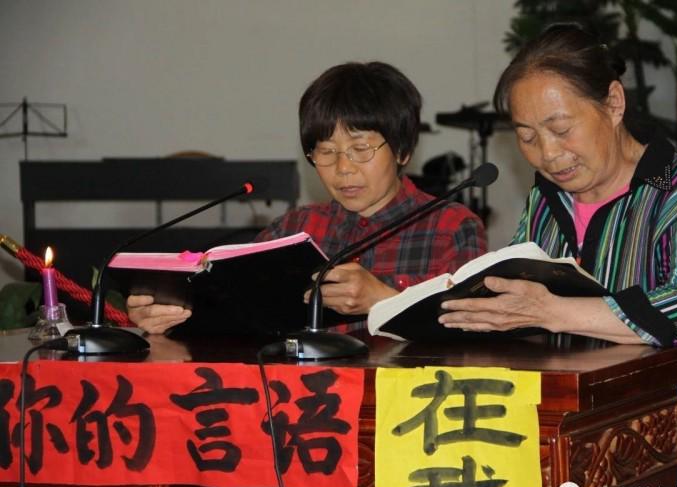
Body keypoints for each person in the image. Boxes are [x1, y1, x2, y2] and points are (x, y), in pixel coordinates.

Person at [438, 24, 677, 487]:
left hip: (667, 442)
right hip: (566, 428)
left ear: (614, 102)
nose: (549, 155)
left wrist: (549, 310)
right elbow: (512, 286)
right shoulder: (546, 200)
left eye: (561, 129)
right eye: (527, 138)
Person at [128, 61, 486, 334]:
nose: (343, 168)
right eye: (325, 152)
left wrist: (384, 299)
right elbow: (237, 318)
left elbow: (475, 338)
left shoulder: (453, 227)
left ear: (403, 150)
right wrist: (170, 315)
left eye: (360, 149)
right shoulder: (296, 227)